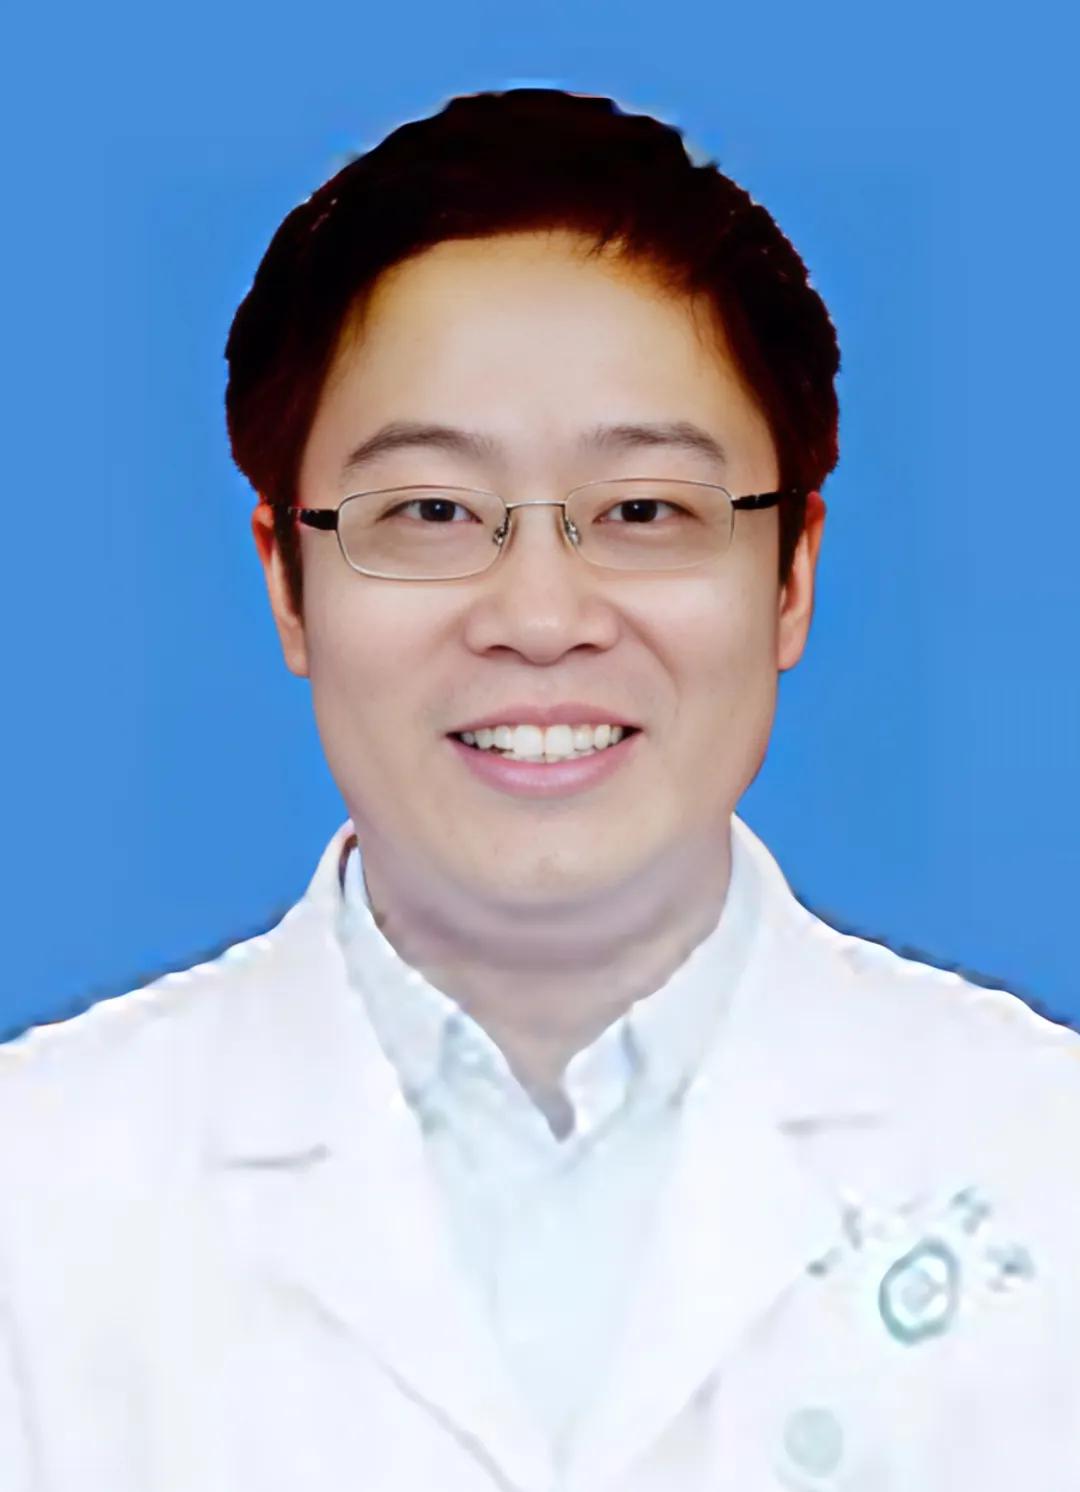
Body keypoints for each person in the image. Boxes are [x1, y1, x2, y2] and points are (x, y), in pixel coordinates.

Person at [2, 88, 1078, 1492]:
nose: (541, 616)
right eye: (429, 513)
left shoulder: (1045, 1155)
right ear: (287, 581)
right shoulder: (36, 1191)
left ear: (792, 576)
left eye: (645, 511)